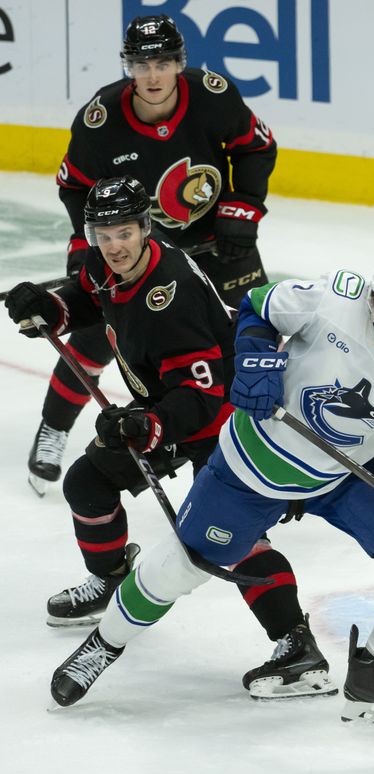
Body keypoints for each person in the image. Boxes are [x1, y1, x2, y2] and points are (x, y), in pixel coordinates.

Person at [48, 244, 374, 726]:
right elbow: (259, 308)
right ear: (372, 290)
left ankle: (373, 678)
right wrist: (256, 357)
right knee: (180, 567)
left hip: (342, 471)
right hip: (256, 463)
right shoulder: (336, 294)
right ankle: (104, 644)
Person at [28, 14, 277, 497]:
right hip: (135, 254)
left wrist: (241, 210)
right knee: (98, 340)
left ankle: (263, 448)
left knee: (251, 339)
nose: (154, 75)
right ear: (129, 68)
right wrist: (88, 247)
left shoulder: (212, 94)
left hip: (218, 245)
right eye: (142, 64)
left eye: (163, 62)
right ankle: (54, 427)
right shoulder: (100, 119)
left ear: (179, 63)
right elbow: (75, 186)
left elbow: (256, 148)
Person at [4, 176, 237, 628]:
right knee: (87, 483)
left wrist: (148, 425)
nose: (113, 246)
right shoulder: (107, 264)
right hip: (170, 408)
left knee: (234, 536)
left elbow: (201, 394)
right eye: (103, 235)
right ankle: (110, 581)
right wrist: (49, 308)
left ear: (145, 228)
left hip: (222, 417)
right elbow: (89, 299)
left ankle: (295, 643)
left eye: (124, 233)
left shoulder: (171, 293)